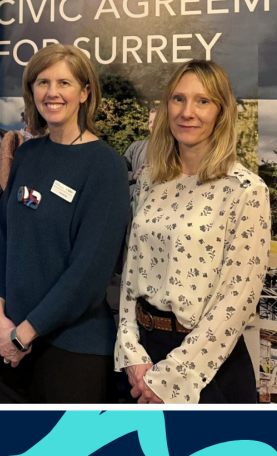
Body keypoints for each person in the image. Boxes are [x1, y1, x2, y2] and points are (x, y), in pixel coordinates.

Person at [114, 60, 270, 404]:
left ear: (221, 112)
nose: (188, 112)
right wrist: (130, 349)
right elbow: (131, 271)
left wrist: (171, 377)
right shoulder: (151, 180)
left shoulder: (245, 189)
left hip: (206, 367)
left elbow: (239, 298)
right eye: (178, 99)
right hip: (142, 361)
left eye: (203, 101)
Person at [0, 44, 130, 403]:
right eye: (42, 81)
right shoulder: (27, 154)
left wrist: (24, 334)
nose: (52, 92)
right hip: (9, 346)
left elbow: (88, 275)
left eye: (64, 82)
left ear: (84, 93)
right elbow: (5, 237)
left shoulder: (105, 166)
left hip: (70, 352)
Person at [123, 109, 157, 202]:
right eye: (150, 122)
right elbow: (117, 173)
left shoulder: (176, 149)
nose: (152, 125)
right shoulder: (136, 147)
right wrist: (133, 176)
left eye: (156, 121)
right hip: (132, 207)